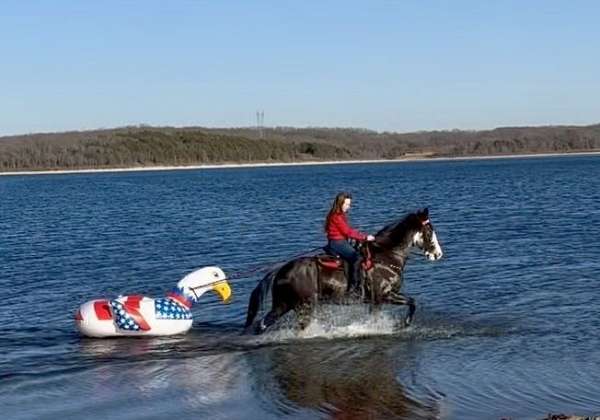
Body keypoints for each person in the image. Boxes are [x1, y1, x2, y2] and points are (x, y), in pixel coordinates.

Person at [324, 192, 375, 294]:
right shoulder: (336, 216)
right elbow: (347, 231)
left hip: (338, 241)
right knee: (357, 258)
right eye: (347, 204)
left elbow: (346, 231)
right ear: (340, 203)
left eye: (349, 204)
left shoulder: (338, 215)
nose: (349, 207)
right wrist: (365, 237)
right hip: (337, 243)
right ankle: (353, 287)